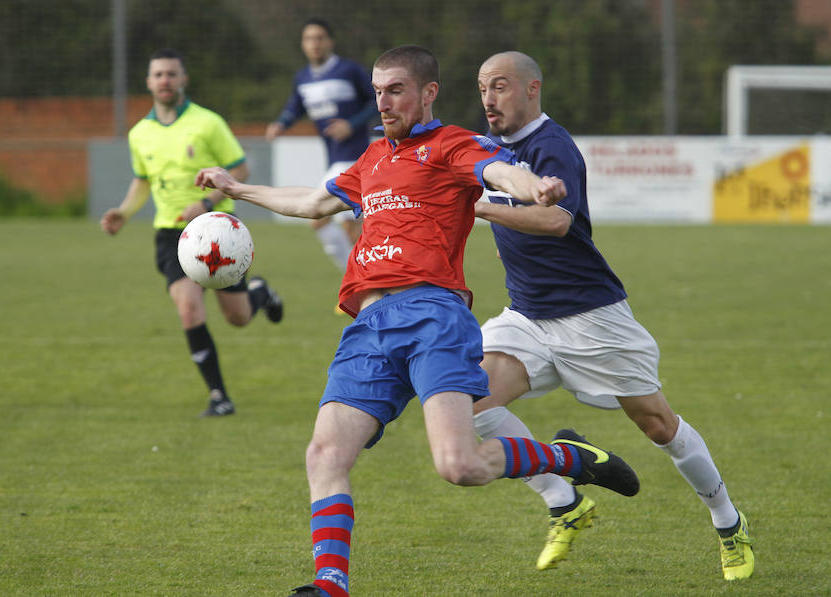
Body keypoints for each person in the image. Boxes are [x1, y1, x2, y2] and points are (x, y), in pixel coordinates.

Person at [197, 45, 640, 597]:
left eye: (396, 90)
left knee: (460, 465)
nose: (383, 102)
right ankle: (330, 585)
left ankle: (571, 457)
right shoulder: (372, 158)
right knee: (325, 454)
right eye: (378, 92)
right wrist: (238, 190)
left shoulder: (452, 144)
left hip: (434, 315)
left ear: (428, 92)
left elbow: (499, 169)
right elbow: (312, 203)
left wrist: (535, 187)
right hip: (368, 324)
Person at [472, 51, 754, 580]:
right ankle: (564, 499)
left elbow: (556, 221)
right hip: (527, 317)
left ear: (533, 89)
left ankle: (728, 522)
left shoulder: (552, 145)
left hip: (590, 316)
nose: (488, 98)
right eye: (483, 87)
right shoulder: (486, 150)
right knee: (469, 400)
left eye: (501, 86)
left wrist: (483, 209)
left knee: (658, 425)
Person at [101, 48, 284, 418]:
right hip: (172, 235)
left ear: (184, 79)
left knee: (237, 317)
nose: (165, 80)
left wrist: (207, 202)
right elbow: (142, 181)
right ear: (149, 82)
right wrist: (123, 211)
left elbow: (241, 169)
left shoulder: (208, 123)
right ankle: (219, 396)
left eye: (171, 74)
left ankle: (259, 293)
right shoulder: (140, 133)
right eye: (158, 75)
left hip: (218, 231)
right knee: (188, 307)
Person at [266, 18, 377, 284]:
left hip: (356, 157)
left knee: (319, 218)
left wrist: (351, 125)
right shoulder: (302, 78)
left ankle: (359, 282)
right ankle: (367, 282)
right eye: (309, 39)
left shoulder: (349, 70)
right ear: (303, 44)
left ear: (330, 41)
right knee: (351, 229)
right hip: (335, 160)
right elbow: (296, 106)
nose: (314, 44)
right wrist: (281, 124)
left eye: (319, 38)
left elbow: (376, 101)